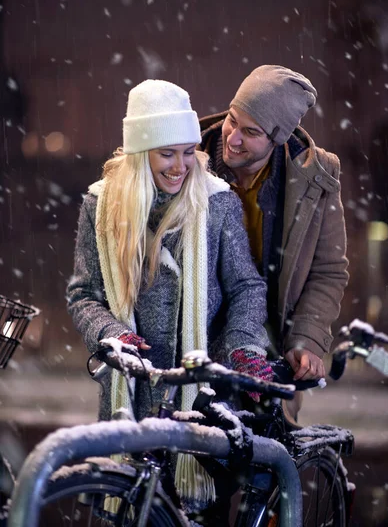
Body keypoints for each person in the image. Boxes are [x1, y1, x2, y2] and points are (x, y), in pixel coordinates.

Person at [66, 79, 272, 512]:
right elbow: (84, 294)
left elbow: (247, 288)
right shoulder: (100, 207)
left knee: (194, 515)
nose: (181, 165)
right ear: (141, 154)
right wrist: (110, 333)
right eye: (166, 153)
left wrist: (241, 347)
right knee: (132, 511)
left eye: (186, 150)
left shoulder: (216, 203)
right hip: (132, 395)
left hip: (198, 398)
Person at [200, 65, 349, 394]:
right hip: (195, 347)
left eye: (251, 132)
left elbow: (328, 270)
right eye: (232, 120)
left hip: (269, 349)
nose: (233, 138)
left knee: (264, 443)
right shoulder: (185, 161)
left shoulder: (316, 181)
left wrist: (307, 339)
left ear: (278, 138)